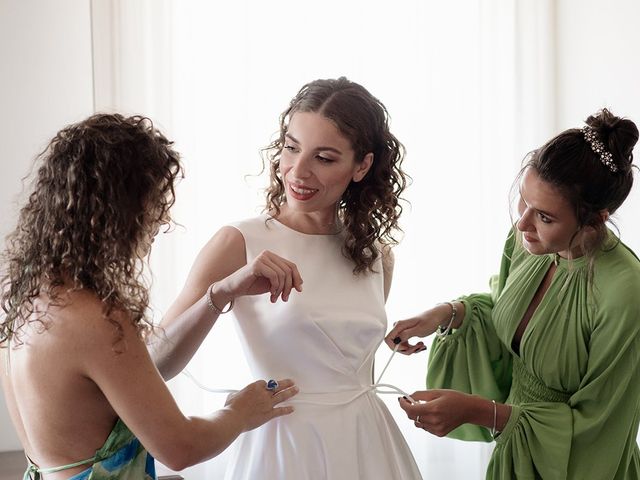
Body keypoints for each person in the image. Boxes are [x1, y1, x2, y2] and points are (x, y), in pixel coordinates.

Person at [0, 113, 298, 480]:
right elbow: (180, 447)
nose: (163, 219)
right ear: (118, 207)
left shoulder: (30, 297)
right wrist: (240, 411)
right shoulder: (97, 319)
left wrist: (218, 294)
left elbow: (140, 373)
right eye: (156, 200)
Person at [153, 77, 423, 479]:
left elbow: (352, 370)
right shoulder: (239, 241)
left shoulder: (376, 255)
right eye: (292, 148)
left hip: (368, 447)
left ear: (362, 166)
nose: (298, 171)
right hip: (281, 451)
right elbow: (157, 363)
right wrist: (222, 292)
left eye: (324, 158)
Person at [386, 108, 640, 479]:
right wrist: (445, 314)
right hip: (517, 454)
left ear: (595, 219)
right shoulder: (528, 243)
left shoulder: (625, 293)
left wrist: (481, 412)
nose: (522, 223)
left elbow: (601, 425)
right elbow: (515, 319)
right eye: (524, 200)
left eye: (545, 217)